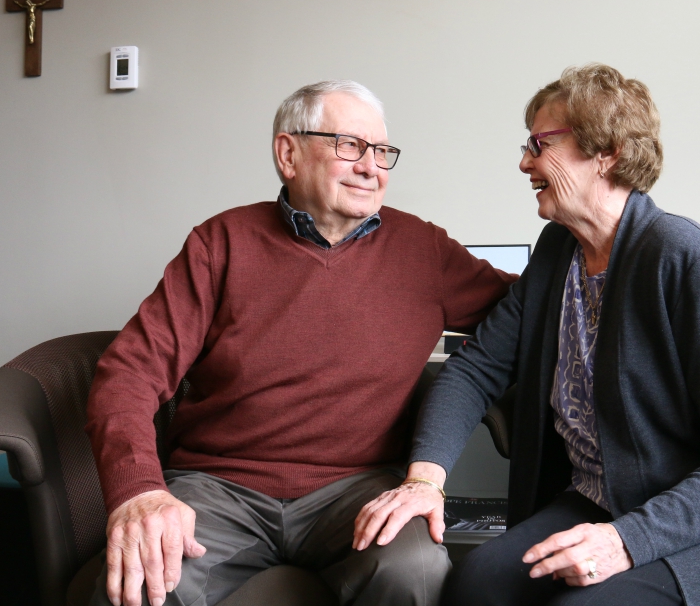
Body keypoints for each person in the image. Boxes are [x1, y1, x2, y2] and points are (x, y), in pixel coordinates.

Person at [353, 64, 700, 605]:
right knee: (477, 583)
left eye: (540, 143)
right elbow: (475, 367)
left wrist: (625, 541)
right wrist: (424, 480)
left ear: (607, 151)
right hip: (607, 499)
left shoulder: (677, 253)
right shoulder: (559, 251)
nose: (524, 161)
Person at [84, 80, 515, 606]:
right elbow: (128, 373)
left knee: (415, 570)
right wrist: (140, 492)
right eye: (349, 146)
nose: (371, 166)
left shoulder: (423, 249)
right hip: (219, 487)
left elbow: (522, 312)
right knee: (139, 585)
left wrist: (603, 260)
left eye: (382, 152)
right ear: (288, 153)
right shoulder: (220, 243)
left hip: (358, 488)